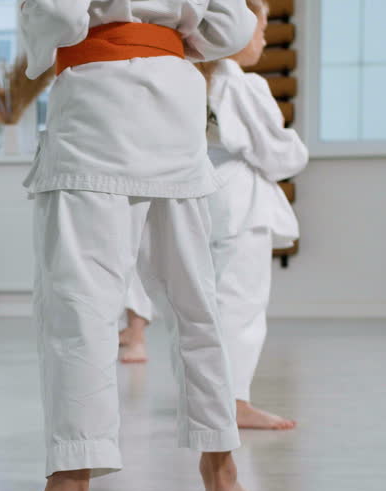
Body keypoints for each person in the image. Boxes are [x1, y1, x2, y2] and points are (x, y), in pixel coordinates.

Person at [0, 0, 258, 491]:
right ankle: (222, 473)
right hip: (176, 105)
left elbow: (57, 10)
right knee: (196, 302)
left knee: (80, 306)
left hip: (100, 104)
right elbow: (232, 26)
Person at [120, 0, 308, 431]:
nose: (262, 38)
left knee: (197, 307)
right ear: (233, 34)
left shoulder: (182, 76)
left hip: (196, 195)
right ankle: (234, 402)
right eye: (258, 30)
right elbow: (278, 154)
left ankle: (202, 400)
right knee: (239, 305)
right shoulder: (242, 85)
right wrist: (296, 151)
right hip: (241, 203)